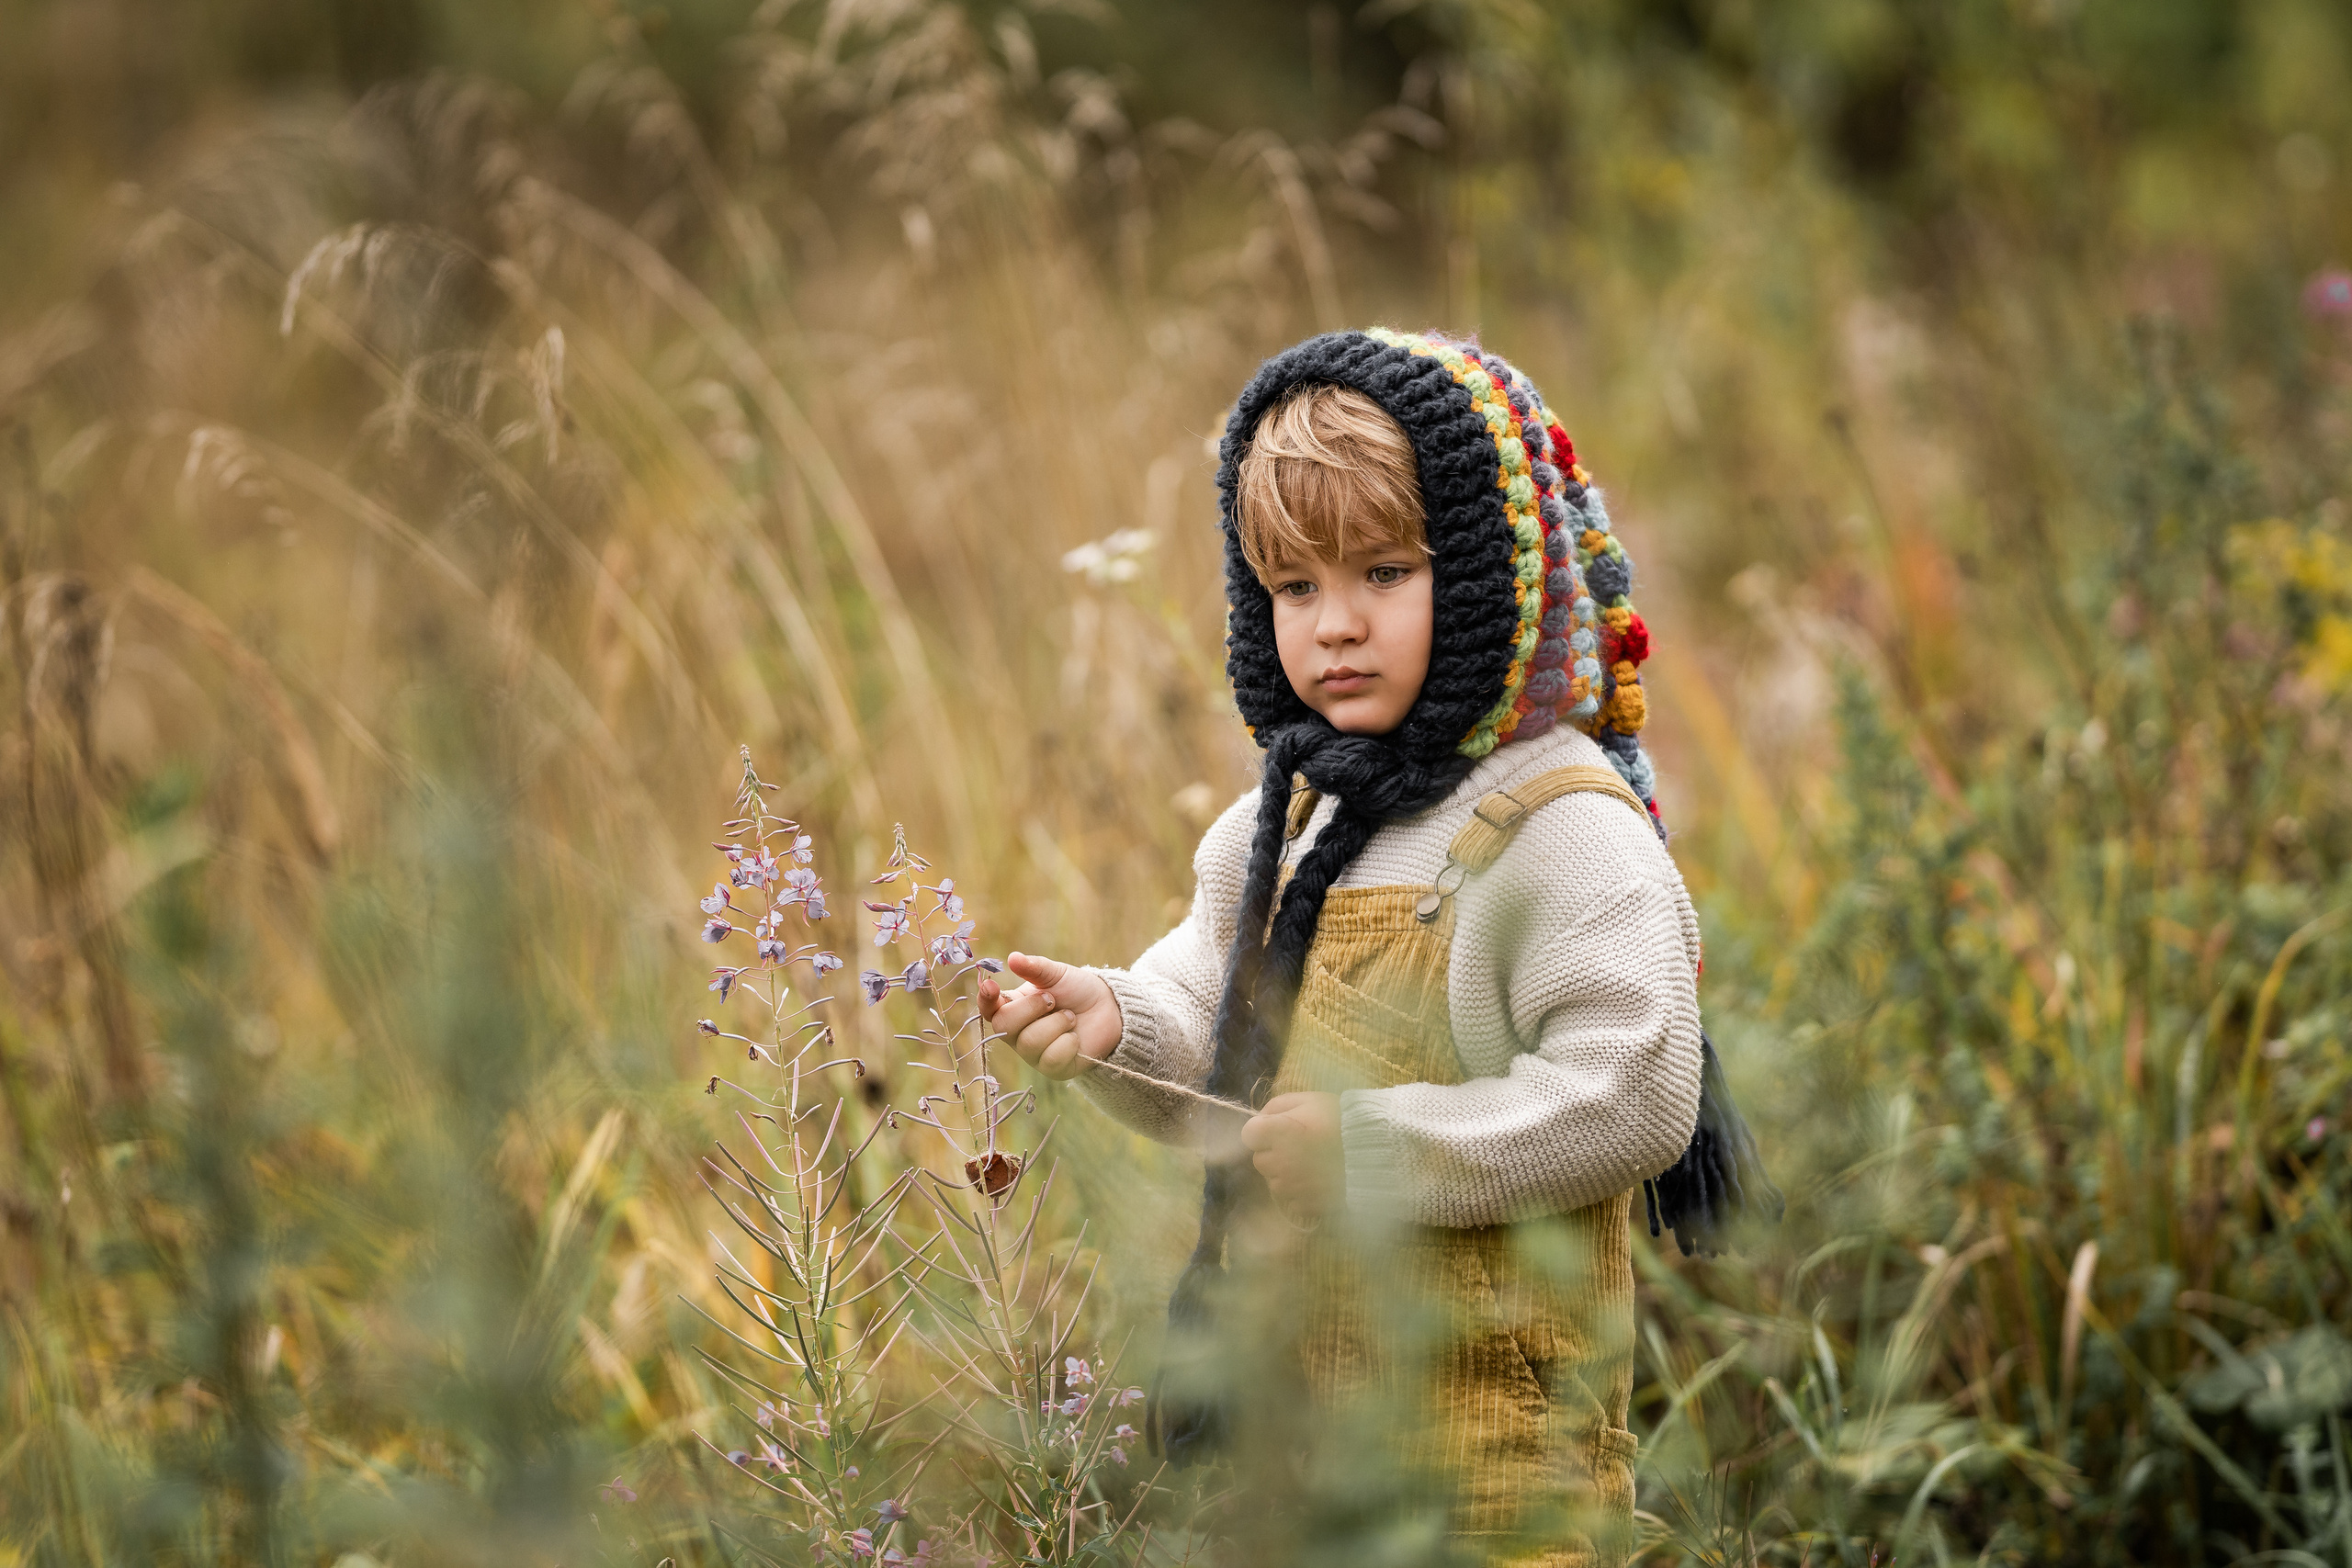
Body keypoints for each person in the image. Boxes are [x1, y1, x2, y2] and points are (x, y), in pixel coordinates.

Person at [978, 329, 1707, 1567]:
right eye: (1297, 587)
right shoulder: (1291, 821)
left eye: (1386, 571)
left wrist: (1378, 1148)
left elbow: (1636, 1092)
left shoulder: (1559, 827)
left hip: (1496, 1443)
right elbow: (1215, 1020)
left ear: (1487, 575)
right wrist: (1116, 1021)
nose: (1336, 627)